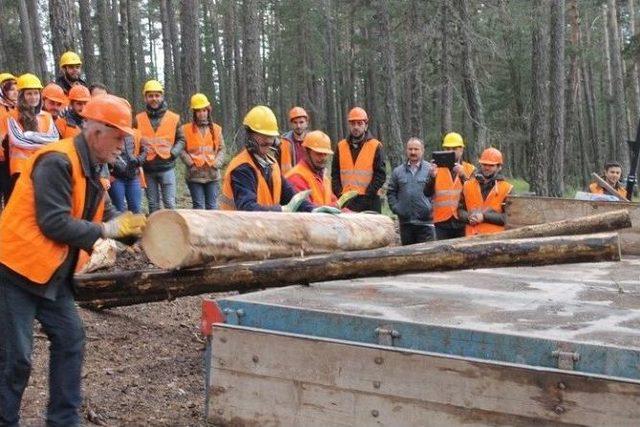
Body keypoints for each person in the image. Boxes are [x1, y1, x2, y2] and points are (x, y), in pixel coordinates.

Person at [0, 94, 146, 427]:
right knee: (15, 359)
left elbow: (102, 210)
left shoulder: (93, 165)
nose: (123, 145)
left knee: (70, 338)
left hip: (51, 273)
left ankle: (64, 420)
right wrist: (108, 229)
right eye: (119, 136)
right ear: (97, 132)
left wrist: (131, 231)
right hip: (16, 270)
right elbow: (54, 222)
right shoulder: (58, 161)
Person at [219, 105, 314, 212]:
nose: (268, 140)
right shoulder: (242, 168)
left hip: (265, 225)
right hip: (239, 227)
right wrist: (282, 210)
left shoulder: (272, 164)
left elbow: (290, 196)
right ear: (250, 135)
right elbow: (248, 208)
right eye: (262, 135)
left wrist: (314, 210)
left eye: (270, 136)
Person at [0, 74, 59, 194]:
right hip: (21, 169)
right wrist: (44, 140)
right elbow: (19, 140)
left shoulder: (46, 116)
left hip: (43, 167)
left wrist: (30, 135)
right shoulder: (12, 115)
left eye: (36, 93)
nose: (33, 97)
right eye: (29, 93)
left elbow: (55, 139)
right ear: (22, 96)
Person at [135, 79, 185, 212]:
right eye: (150, 96)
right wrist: (139, 158)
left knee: (170, 204)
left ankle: (173, 231)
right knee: (153, 205)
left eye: (157, 95)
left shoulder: (174, 118)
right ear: (145, 98)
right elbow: (134, 141)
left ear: (162, 96)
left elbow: (181, 139)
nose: (154, 99)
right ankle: (155, 232)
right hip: (148, 168)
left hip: (167, 167)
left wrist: (173, 153)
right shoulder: (138, 119)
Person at [331, 107, 386, 212]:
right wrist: (339, 193)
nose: (356, 127)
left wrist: (369, 193)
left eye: (359, 123)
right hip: (346, 201)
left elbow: (380, 175)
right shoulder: (340, 146)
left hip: (370, 201)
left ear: (366, 125)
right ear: (349, 125)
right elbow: (335, 174)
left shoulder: (375, 146)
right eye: (352, 123)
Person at [425, 132, 476, 240]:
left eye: (454, 148)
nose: (450, 151)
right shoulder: (436, 169)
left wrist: (463, 176)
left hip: (462, 220)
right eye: (447, 149)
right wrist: (432, 177)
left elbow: (474, 194)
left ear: (461, 149)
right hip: (441, 221)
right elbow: (427, 193)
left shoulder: (470, 169)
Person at [180, 93, 225, 210]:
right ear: (194, 112)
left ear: (208, 111)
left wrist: (217, 163)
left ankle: (212, 228)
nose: (202, 113)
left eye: (204, 110)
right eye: (199, 111)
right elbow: (181, 150)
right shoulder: (185, 129)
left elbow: (221, 149)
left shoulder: (216, 129)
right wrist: (190, 163)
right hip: (194, 175)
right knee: (198, 206)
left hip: (212, 175)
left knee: (212, 206)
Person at [387, 137, 435, 245]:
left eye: (416, 149)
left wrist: (431, 207)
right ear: (406, 150)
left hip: (426, 223)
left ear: (422, 151)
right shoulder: (397, 172)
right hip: (406, 223)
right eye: (410, 149)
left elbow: (437, 192)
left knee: (427, 256)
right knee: (407, 257)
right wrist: (396, 208)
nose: (413, 152)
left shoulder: (430, 170)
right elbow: (391, 192)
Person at [458, 147, 513, 236]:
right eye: (484, 164)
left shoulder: (507, 188)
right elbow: (459, 210)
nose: (487, 168)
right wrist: (468, 217)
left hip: (495, 240)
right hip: (470, 239)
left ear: (499, 167)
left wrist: (484, 217)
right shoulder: (467, 185)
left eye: (491, 165)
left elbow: (510, 217)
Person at [285, 130, 338, 207]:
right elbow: (307, 211)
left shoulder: (323, 178)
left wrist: (355, 215)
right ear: (306, 152)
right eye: (318, 154)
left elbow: (335, 203)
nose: (323, 158)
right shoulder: (296, 177)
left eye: (325, 154)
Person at [109, 129, 147, 213]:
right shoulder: (111, 132)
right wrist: (121, 168)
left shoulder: (137, 133)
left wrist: (138, 161)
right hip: (116, 178)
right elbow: (107, 153)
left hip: (133, 177)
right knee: (119, 209)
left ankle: (136, 226)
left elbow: (144, 150)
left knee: (136, 209)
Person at [0, 74, 17, 206]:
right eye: (11, 89)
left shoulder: (17, 109)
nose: (15, 92)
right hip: (1, 159)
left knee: (11, 196)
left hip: (12, 159)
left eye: (17, 89)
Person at [278, 106, 309, 174]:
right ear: (291, 124)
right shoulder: (283, 142)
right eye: (295, 122)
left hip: (308, 181)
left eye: (301, 122)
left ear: (306, 123)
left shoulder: (312, 141)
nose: (298, 126)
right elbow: (277, 167)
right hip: (290, 181)